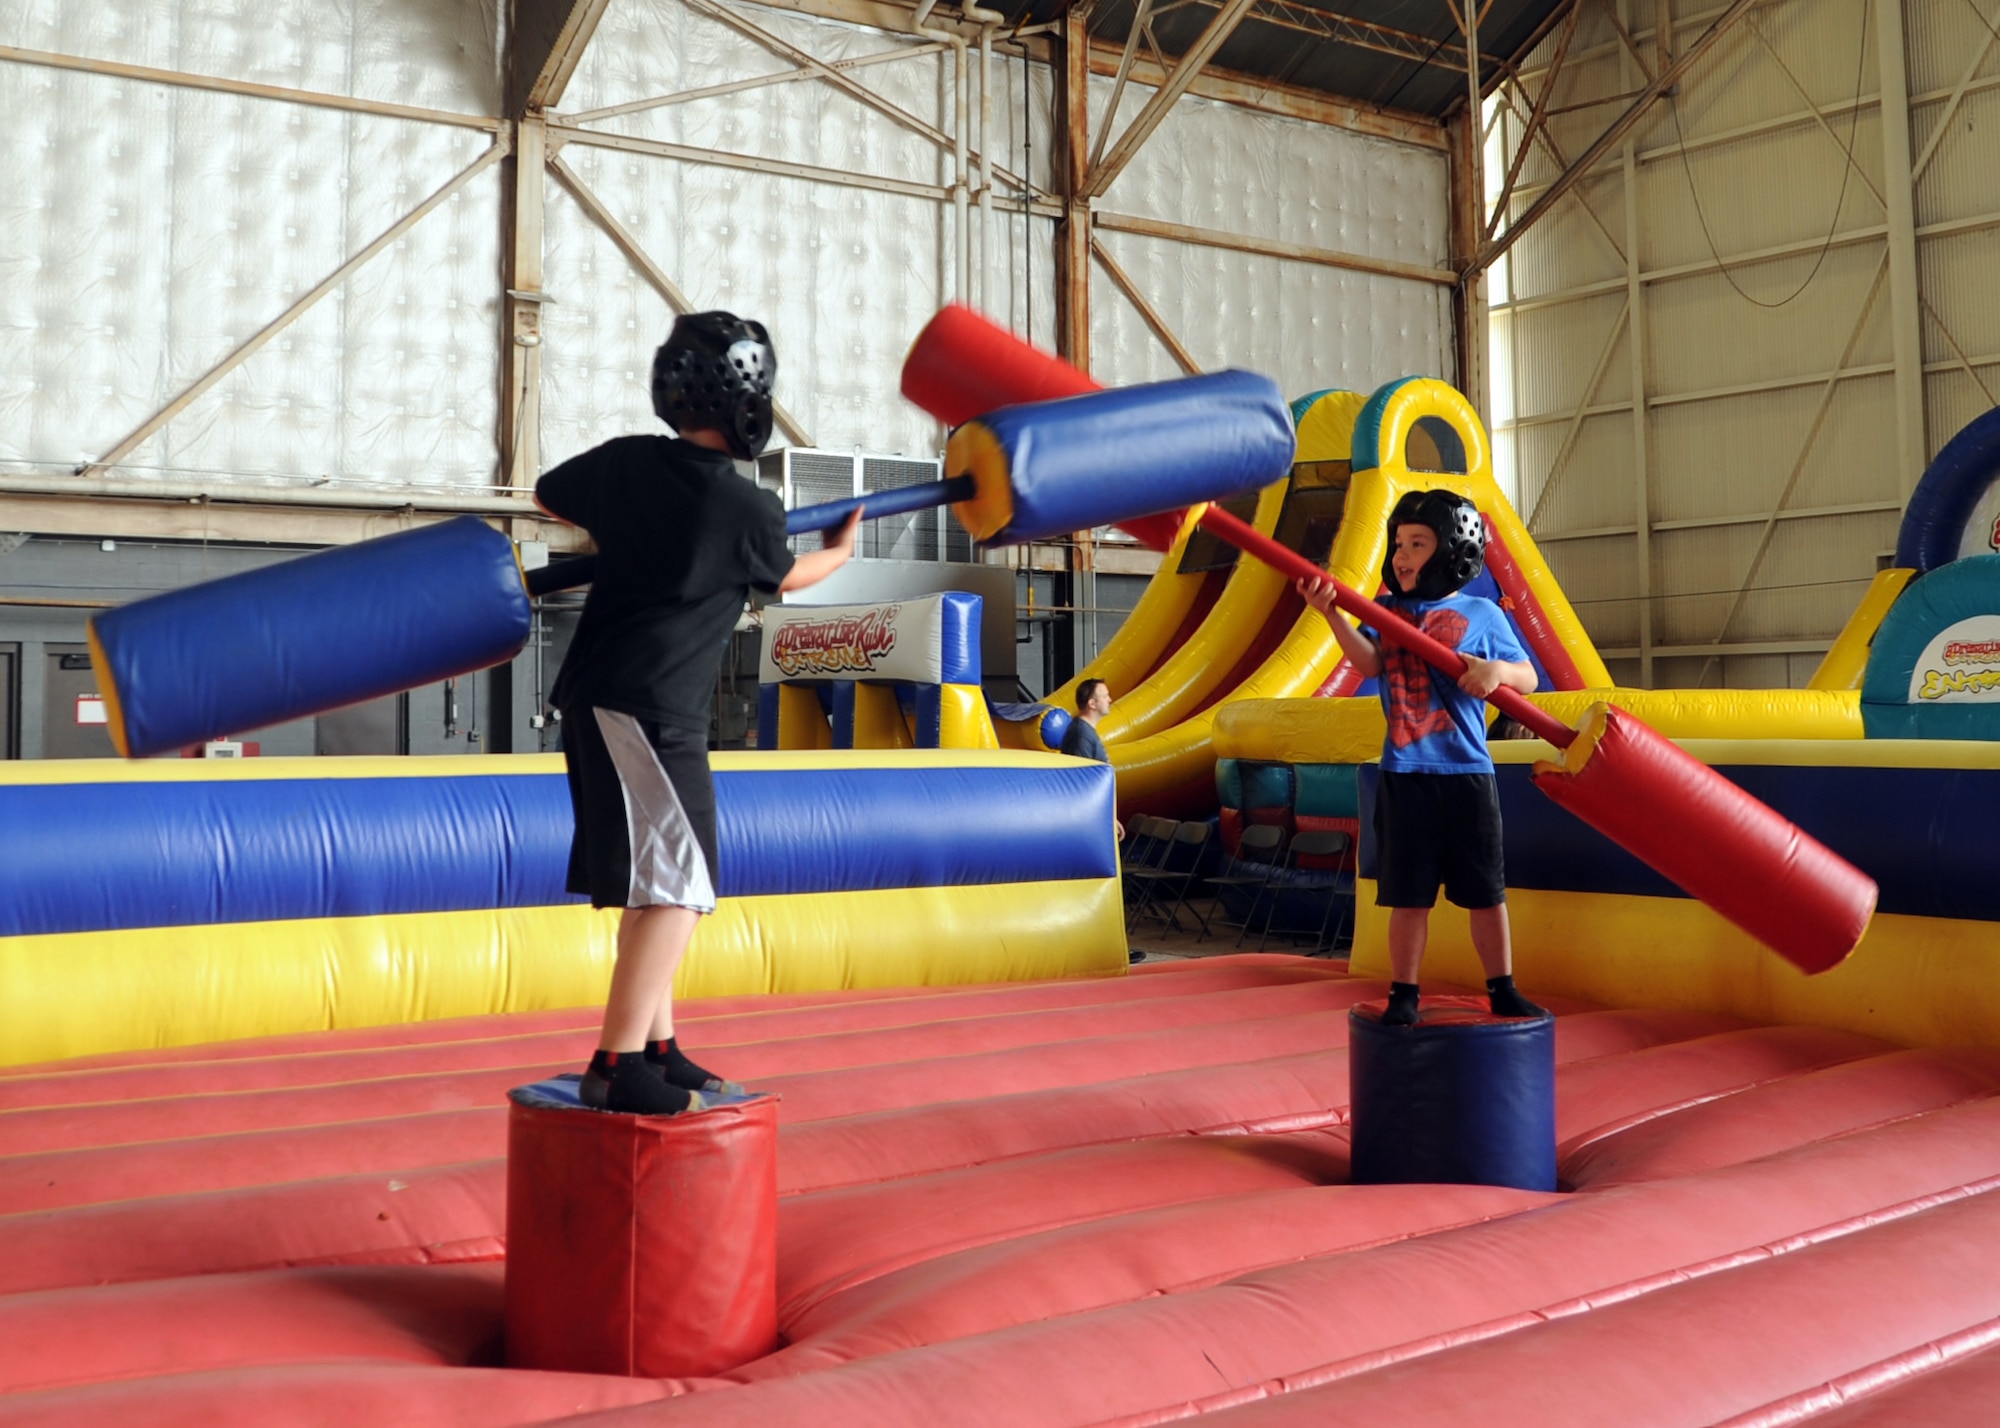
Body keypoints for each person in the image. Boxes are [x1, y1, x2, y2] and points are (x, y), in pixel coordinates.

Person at [535, 311, 860, 1114]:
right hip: (648, 703)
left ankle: (657, 1046)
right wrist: (846, 549)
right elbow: (788, 577)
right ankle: (615, 1065)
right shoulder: (744, 508)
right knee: (682, 886)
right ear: (752, 402)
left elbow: (548, 496)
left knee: (658, 886)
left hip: (603, 693)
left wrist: (634, 533)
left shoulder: (626, 464)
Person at [1294, 489, 1547, 1028]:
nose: (1403, 554)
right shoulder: (1385, 612)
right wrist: (1332, 614)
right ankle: (1403, 990)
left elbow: (1527, 678)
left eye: (1418, 543)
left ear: (1452, 549)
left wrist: (1496, 672)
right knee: (1408, 897)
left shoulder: (1481, 613)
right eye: (1400, 543)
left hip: (1466, 774)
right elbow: (1368, 662)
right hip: (1404, 773)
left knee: (1485, 894)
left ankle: (1502, 986)